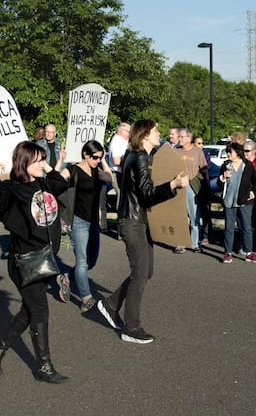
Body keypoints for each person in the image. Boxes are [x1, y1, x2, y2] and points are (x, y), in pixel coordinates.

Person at [0, 141, 73, 383]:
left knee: (28, 310)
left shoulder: (42, 182)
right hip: (25, 259)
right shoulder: (10, 188)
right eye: (36, 160)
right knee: (40, 308)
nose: (41, 164)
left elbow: (62, 184)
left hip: (45, 257)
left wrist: (50, 166)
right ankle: (43, 367)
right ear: (23, 163)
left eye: (42, 159)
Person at [96, 120, 188, 344]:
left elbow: (145, 192)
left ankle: (109, 305)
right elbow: (147, 194)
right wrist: (172, 185)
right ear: (145, 134)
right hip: (133, 222)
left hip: (141, 221)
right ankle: (131, 328)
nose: (159, 134)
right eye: (156, 131)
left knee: (146, 272)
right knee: (140, 274)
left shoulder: (139, 157)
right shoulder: (138, 158)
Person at [56, 140, 113, 312]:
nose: (97, 160)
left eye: (100, 157)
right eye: (95, 157)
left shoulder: (97, 171)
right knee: (81, 261)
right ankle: (86, 298)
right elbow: (55, 180)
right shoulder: (73, 170)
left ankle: (65, 278)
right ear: (85, 155)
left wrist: (103, 159)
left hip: (93, 221)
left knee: (91, 260)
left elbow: (110, 178)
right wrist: (60, 160)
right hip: (78, 221)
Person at [217, 142, 256, 263]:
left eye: (230, 152)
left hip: (244, 201)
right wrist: (223, 177)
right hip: (229, 201)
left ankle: (249, 253)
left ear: (237, 152)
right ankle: (228, 253)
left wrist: (253, 192)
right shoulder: (226, 165)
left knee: (247, 228)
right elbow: (218, 182)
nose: (228, 154)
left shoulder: (247, 165)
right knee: (229, 228)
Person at [176, 128, 208, 253]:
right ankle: (180, 243)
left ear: (189, 138)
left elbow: (204, 168)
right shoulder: (175, 151)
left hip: (192, 187)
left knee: (194, 216)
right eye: (179, 137)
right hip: (178, 186)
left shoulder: (197, 152)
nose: (180, 139)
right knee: (180, 216)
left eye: (182, 137)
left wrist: (195, 178)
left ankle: (194, 243)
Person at [194, 135, 212, 245]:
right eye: (199, 143)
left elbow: (205, 167)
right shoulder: (188, 154)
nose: (201, 145)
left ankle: (206, 236)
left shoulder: (205, 154)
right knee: (193, 213)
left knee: (205, 212)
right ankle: (193, 235)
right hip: (192, 186)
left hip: (203, 186)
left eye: (202, 143)